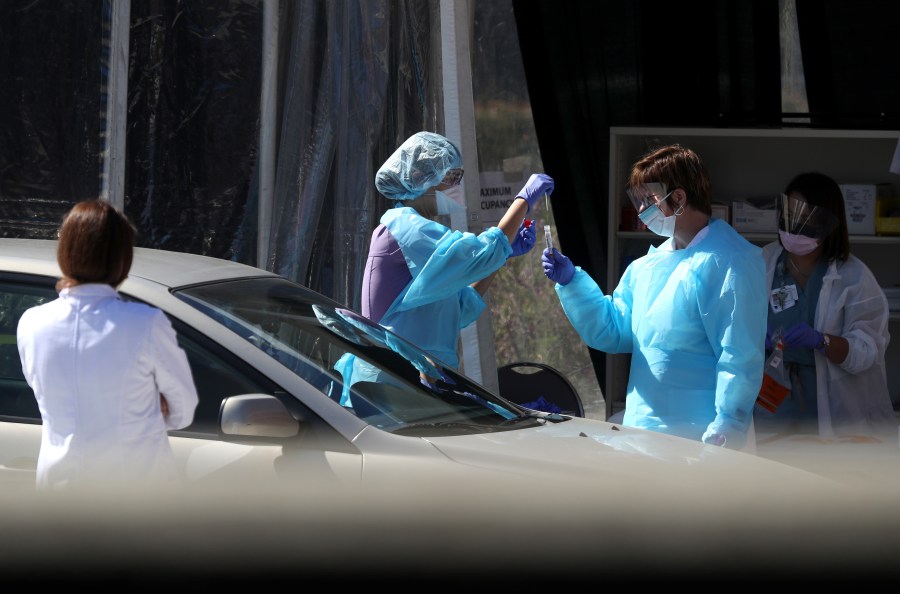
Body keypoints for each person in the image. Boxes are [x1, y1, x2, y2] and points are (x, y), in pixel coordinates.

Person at [541, 144, 767, 449]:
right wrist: (572, 283)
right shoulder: (648, 266)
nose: (640, 210)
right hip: (644, 433)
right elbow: (614, 330)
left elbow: (740, 356)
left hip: (702, 440)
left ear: (679, 198)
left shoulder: (730, 262)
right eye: (638, 200)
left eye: (649, 199)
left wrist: (728, 425)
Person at [17, 199, 198, 490]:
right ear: (122, 258)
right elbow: (183, 409)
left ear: (65, 252)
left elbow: (45, 390)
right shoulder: (146, 322)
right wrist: (147, 410)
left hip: (59, 493)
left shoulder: (31, 322)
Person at [360, 131, 553, 371]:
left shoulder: (419, 229)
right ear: (420, 177)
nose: (456, 186)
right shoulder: (405, 228)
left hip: (415, 375)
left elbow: (460, 308)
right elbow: (479, 254)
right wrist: (523, 200)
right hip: (393, 375)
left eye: (459, 177)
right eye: (451, 177)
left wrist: (502, 255)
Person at [755, 172, 896, 440]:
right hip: (773, 400)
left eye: (806, 218)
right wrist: (751, 337)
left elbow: (868, 350)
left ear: (829, 223)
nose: (795, 226)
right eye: (790, 214)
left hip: (834, 407)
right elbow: (734, 321)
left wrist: (823, 341)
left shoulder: (854, 277)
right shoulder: (763, 262)